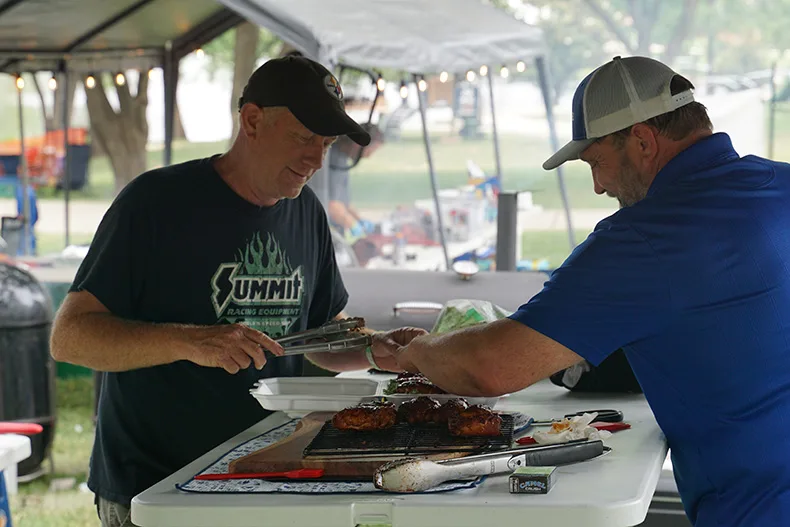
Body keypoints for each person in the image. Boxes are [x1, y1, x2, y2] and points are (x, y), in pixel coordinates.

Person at [392, 56, 790, 526]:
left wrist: (415, 350)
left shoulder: (646, 238)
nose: (600, 186)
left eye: (596, 162)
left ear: (642, 139)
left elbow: (490, 367)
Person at [49, 55, 424, 527]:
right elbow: (69, 337)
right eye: (304, 137)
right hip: (157, 487)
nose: (316, 160)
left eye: (327, 143)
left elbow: (319, 335)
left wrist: (376, 349)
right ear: (252, 121)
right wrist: (191, 340)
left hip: (268, 475)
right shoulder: (155, 203)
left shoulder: (305, 212)